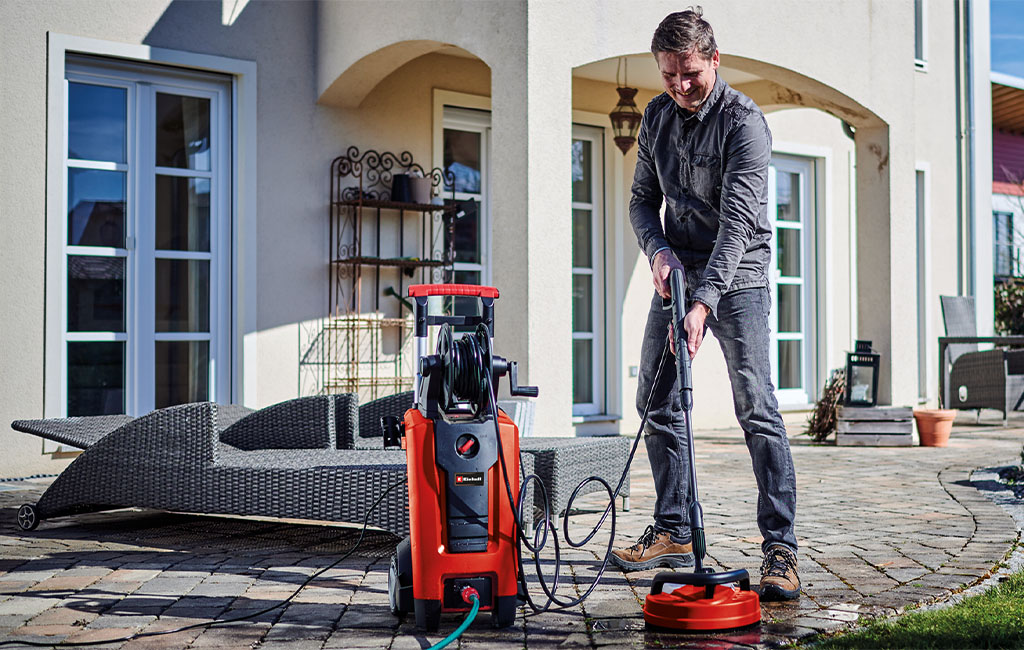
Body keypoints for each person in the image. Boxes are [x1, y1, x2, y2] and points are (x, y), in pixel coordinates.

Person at [609, 7, 800, 601]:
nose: (680, 86)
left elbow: (738, 226)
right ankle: (672, 527)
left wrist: (704, 302)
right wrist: (659, 252)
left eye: (689, 74)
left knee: (756, 406)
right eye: (668, 75)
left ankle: (781, 550)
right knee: (655, 399)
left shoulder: (745, 123)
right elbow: (642, 202)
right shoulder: (657, 117)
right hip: (678, 272)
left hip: (737, 274)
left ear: (713, 61)